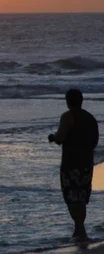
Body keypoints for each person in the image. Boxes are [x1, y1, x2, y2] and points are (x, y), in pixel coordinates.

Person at [48, 89, 99, 242]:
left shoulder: (68, 116)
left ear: (68, 101)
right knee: (81, 196)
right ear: (81, 100)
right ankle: (79, 230)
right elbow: (95, 141)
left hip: (71, 163)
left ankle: (79, 229)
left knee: (71, 195)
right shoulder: (90, 118)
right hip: (87, 162)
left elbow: (60, 137)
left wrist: (53, 137)